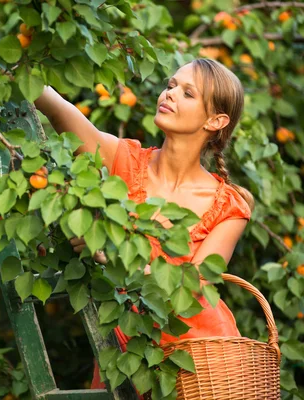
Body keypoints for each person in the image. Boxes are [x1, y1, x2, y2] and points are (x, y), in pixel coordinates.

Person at [34, 58, 254, 390]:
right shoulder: (123, 160)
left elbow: (196, 284)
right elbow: (55, 108)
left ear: (215, 120)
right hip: (129, 357)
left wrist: (119, 255)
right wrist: (0, 59)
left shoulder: (229, 203)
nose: (169, 94)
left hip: (205, 367)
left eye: (187, 93)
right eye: (170, 85)